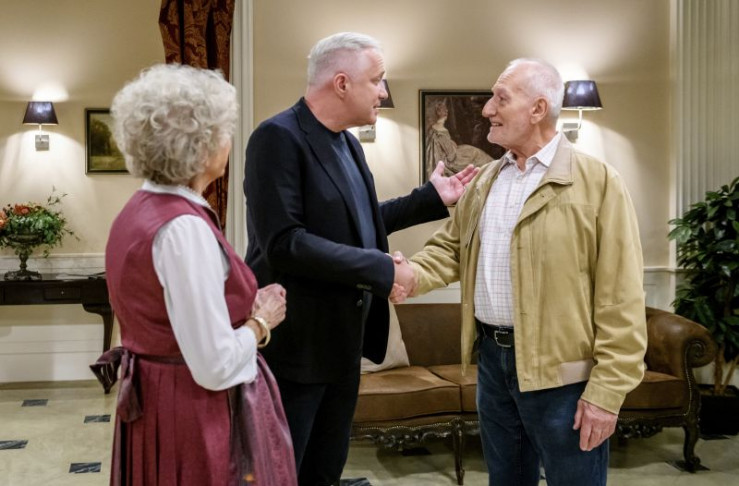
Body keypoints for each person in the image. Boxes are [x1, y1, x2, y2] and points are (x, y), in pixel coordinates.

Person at [395, 58, 648, 486]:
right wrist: (410, 275)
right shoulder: (485, 180)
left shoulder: (598, 182)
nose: (487, 110)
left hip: (565, 378)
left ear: (537, 109)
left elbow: (620, 296)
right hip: (493, 366)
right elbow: (452, 249)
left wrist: (607, 393)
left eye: (500, 98)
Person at [243, 32, 477, 486]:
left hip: (344, 348)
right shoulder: (277, 138)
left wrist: (430, 198)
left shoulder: (348, 144)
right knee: (284, 474)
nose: (384, 91)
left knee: (326, 472)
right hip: (297, 349)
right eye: (378, 80)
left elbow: (362, 222)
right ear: (342, 83)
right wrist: (382, 270)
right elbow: (284, 242)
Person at [92, 64, 297, 485]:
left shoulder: (136, 211)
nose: (228, 142)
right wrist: (261, 321)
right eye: (224, 132)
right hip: (189, 413)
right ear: (201, 147)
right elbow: (214, 365)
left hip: (155, 401)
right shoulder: (183, 228)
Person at [425, 98, 492, 177]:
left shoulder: (435, 128)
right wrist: (454, 146)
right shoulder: (441, 130)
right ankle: (492, 169)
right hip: (452, 159)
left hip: (449, 152)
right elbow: (451, 156)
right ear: (440, 113)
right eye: (444, 110)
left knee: (471, 150)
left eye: (446, 110)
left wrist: (452, 143)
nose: (447, 111)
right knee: (475, 153)